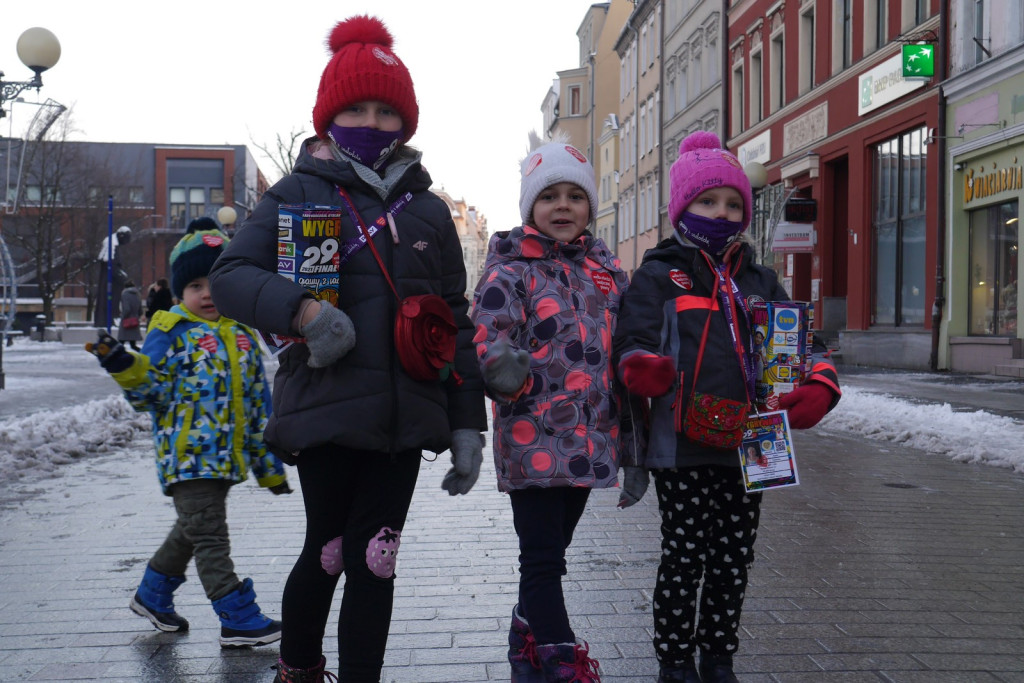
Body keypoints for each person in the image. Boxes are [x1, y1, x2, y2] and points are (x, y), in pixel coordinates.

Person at [208, 15, 487, 683]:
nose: (372, 121)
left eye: (386, 110)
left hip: (406, 414)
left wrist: (467, 421)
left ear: (407, 121)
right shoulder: (298, 192)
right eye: (357, 107)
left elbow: (456, 321)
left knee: (376, 556)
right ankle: (299, 668)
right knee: (330, 549)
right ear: (330, 115)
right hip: (328, 407)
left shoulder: (427, 212)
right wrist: (301, 310)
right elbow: (230, 278)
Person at [612, 131, 841, 683]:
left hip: (757, 439)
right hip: (683, 441)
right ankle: (674, 660)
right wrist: (642, 366)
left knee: (735, 558)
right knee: (685, 555)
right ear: (682, 207)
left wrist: (820, 383)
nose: (722, 211)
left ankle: (718, 659)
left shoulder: (761, 279)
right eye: (708, 200)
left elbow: (804, 346)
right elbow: (633, 339)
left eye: (733, 202)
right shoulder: (658, 274)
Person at [85, 219, 291, 649]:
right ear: (180, 292)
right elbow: (151, 392)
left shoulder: (242, 337)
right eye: (196, 285)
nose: (208, 293)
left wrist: (269, 467)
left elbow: (258, 406)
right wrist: (124, 365)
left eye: (216, 282)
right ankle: (236, 615)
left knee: (192, 529)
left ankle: (152, 594)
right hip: (187, 457)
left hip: (225, 459)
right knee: (211, 536)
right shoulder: (169, 331)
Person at [470, 138, 630, 682]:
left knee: (553, 551)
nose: (562, 206)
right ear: (530, 208)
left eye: (574, 196)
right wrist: (498, 363)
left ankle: (526, 642)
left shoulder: (604, 272)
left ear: (589, 206)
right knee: (541, 559)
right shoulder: (509, 271)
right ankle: (563, 661)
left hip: (591, 440)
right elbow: (483, 337)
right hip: (533, 438)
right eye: (549, 197)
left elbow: (627, 344)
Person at [117, 279, 143, 350]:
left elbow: (126, 309)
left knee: (120, 344)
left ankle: (120, 359)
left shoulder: (125, 294)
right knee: (133, 345)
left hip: (126, 322)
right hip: (135, 322)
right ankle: (144, 355)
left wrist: (123, 316)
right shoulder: (137, 295)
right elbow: (140, 311)